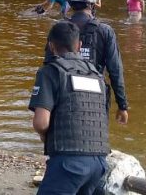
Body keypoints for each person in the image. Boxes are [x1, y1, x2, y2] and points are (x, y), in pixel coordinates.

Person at [29, 21, 109, 195]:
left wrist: (45, 137)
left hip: (69, 162)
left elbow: (41, 122)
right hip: (100, 162)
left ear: (51, 46)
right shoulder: (97, 75)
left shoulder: (50, 72)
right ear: (79, 46)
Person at [43, 0, 129, 125]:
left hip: (62, 96)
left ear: (69, 2)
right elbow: (115, 71)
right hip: (95, 98)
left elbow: (47, 66)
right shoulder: (105, 31)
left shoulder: (58, 28)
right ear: (92, 1)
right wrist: (122, 105)